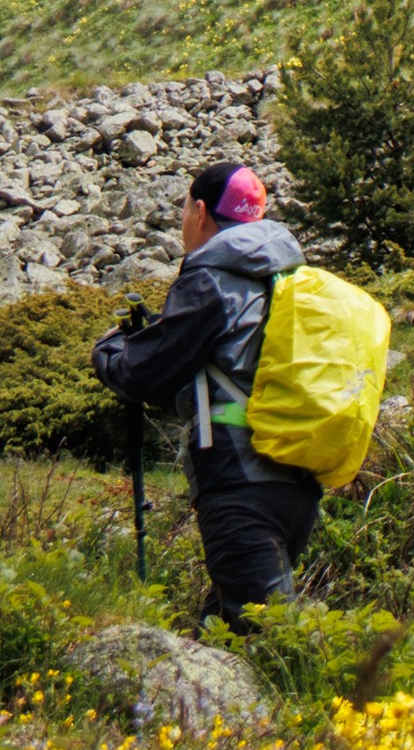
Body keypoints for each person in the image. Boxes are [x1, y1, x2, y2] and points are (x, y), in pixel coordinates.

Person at [91, 158, 318, 624]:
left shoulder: (210, 276)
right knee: (221, 623)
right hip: (297, 477)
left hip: (239, 479)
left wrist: (110, 348)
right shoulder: (281, 272)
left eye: (183, 213)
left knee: (265, 634)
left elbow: (144, 373)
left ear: (200, 211)